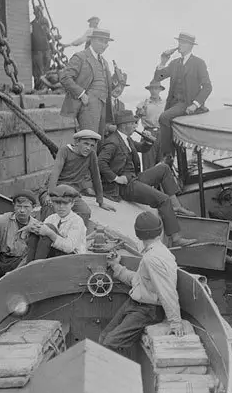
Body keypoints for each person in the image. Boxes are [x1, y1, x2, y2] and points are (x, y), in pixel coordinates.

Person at [98, 110, 197, 248]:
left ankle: (177, 206)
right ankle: (175, 237)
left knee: (164, 168)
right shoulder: (113, 143)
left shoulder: (126, 138)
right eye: (133, 123)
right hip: (124, 186)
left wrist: (148, 140)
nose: (135, 125)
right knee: (163, 199)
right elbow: (100, 162)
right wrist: (115, 178)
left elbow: (142, 148)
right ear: (125, 125)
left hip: (133, 178)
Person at [100, 211, 189, 357]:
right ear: (159, 231)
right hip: (136, 303)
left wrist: (175, 322)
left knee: (110, 343)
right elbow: (139, 280)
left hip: (148, 309)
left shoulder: (152, 258)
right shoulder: (155, 252)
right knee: (104, 336)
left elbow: (167, 291)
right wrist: (116, 266)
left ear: (137, 234)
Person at [151, 31, 212, 162]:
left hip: (187, 103)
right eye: (179, 42)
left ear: (191, 46)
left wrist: (195, 105)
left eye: (183, 42)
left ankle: (168, 156)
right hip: (173, 104)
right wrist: (163, 61)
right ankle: (173, 156)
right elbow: (158, 77)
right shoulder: (174, 63)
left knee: (163, 117)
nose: (179, 45)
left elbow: (208, 87)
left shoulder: (198, 63)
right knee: (165, 120)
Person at [37, 129, 116, 229]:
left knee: (85, 212)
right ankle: (44, 234)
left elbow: (96, 177)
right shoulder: (64, 151)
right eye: (86, 144)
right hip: (54, 190)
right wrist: (50, 194)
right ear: (77, 142)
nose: (88, 148)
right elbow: (55, 173)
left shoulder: (91, 155)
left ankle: (72, 237)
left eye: (92, 145)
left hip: (71, 194)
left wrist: (100, 201)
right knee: (50, 207)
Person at [59, 27, 116, 138]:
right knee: (89, 141)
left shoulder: (104, 62)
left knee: (99, 142)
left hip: (103, 107)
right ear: (92, 40)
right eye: (101, 41)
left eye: (106, 42)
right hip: (87, 106)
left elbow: (105, 85)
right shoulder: (80, 57)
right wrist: (81, 94)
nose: (104, 45)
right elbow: (65, 77)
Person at [24, 185, 88, 263]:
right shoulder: (51, 218)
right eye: (57, 203)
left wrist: (50, 233)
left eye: (65, 203)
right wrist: (31, 230)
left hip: (73, 260)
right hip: (56, 257)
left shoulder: (77, 221)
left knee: (49, 228)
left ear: (72, 204)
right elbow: (38, 242)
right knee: (37, 232)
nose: (61, 207)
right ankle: (29, 265)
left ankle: (36, 266)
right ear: (53, 203)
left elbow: (69, 248)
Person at [135, 81, 165, 169]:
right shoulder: (143, 104)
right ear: (149, 90)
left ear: (160, 90)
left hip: (162, 133)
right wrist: (139, 113)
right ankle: (148, 182)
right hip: (148, 133)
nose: (154, 91)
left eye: (156, 89)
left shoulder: (165, 103)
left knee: (162, 162)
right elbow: (136, 119)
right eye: (152, 89)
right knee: (148, 164)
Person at [31, 16, 51, 91]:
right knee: (38, 71)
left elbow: (48, 36)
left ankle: (44, 87)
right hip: (37, 51)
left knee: (45, 71)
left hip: (45, 50)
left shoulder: (44, 20)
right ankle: (39, 87)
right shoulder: (32, 24)